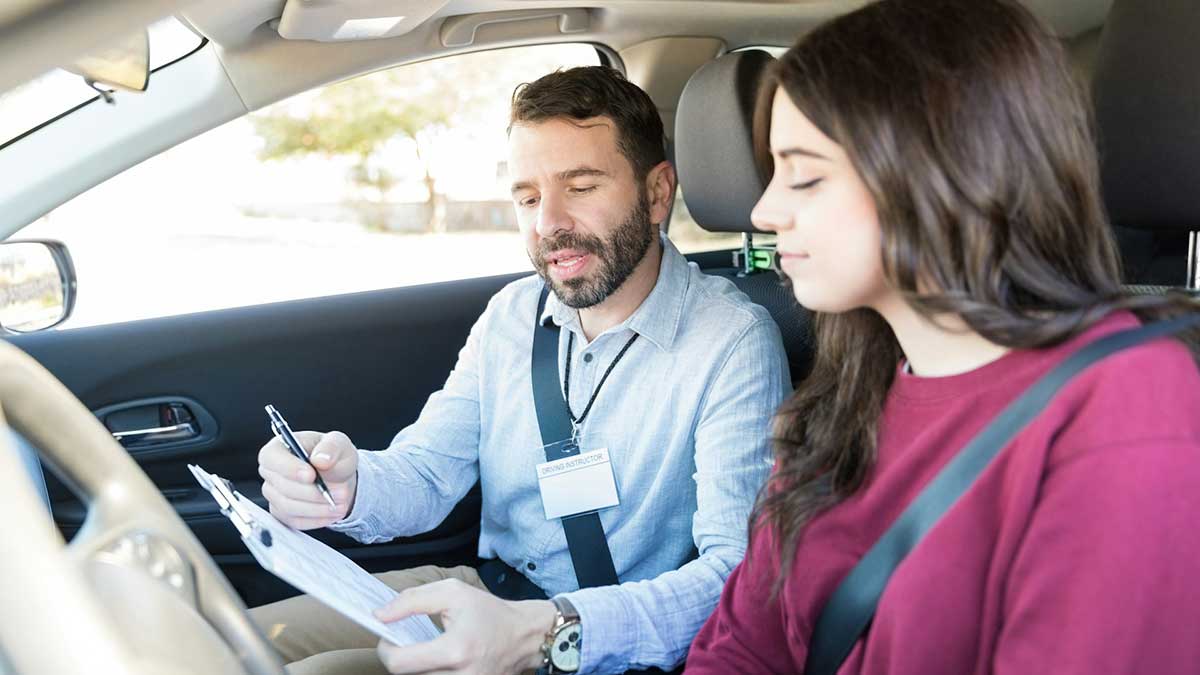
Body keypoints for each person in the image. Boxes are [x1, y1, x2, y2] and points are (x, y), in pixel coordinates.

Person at [686, 1, 1200, 673]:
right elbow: (741, 648)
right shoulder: (843, 395)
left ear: (938, 171)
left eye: (804, 173)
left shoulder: (1127, 405)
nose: (764, 209)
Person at [251, 65, 790, 675]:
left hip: (595, 644)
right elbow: (428, 474)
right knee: (229, 638)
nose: (546, 224)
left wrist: (551, 630)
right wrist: (347, 487)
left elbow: (735, 577)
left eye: (581, 187)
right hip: (482, 591)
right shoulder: (511, 315)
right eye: (528, 197)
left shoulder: (733, 342)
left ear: (657, 193)